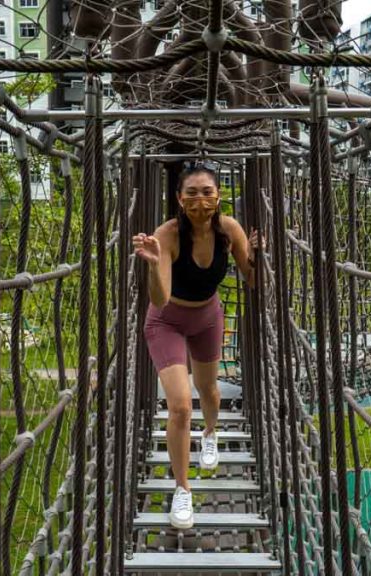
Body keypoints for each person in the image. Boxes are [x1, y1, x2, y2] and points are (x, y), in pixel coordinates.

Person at [132, 164, 259, 530]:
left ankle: (210, 434)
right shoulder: (167, 235)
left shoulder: (228, 230)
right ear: (178, 198)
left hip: (207, 318)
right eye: (191, 192)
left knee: (209, 391)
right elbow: (160, 297)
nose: (199, 200)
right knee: (181, 406)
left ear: (218, 196)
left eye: (206, 191)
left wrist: (258, 257)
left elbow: (253, 280)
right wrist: (155, 265)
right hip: (166, 321)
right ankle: (182, 489)